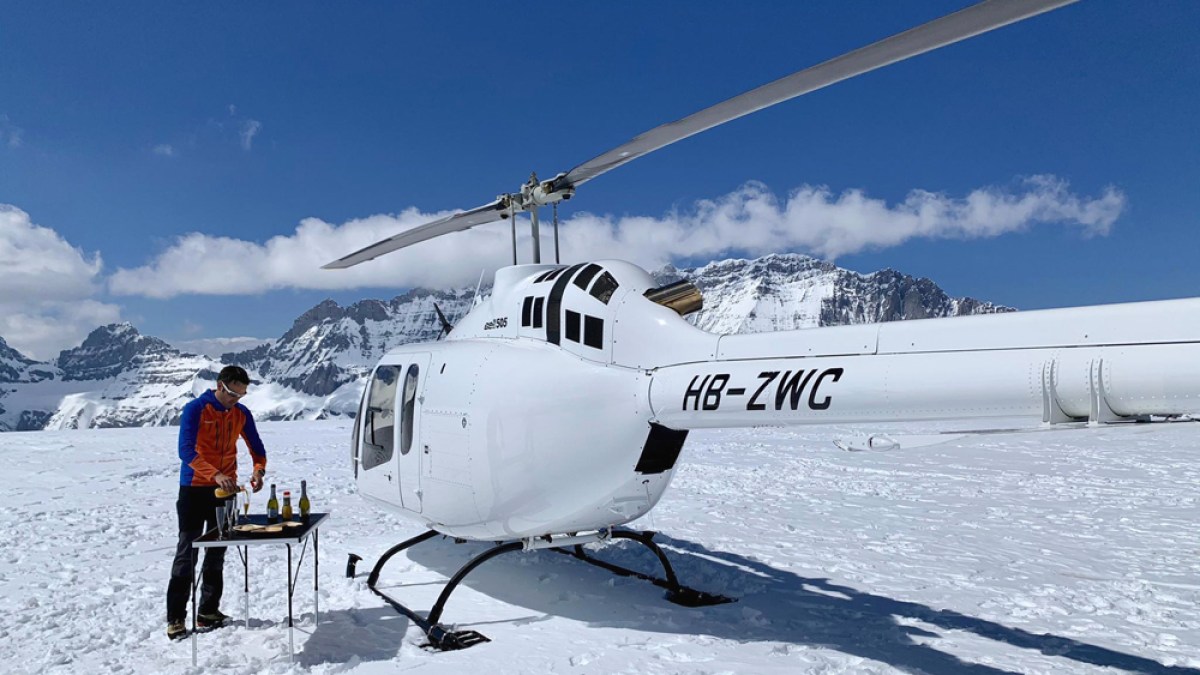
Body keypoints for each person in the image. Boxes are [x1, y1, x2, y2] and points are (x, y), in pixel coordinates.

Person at [165, 365, 267, 641]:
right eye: (233, 394)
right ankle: (176, 618)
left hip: (227, 490)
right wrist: (215, 474)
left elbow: (257, 449)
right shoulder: (196, 409)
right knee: (188, 552)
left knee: (218, 550)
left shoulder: (241, 413)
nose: (236, 400)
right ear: (220, 386)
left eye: (241, 395)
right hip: (195, 488)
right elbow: (185, 450)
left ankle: (208, 610)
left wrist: (258, 471)